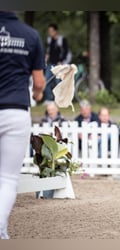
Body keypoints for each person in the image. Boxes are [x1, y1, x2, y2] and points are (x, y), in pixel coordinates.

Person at [0, 11, 46, 239]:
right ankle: (0, 230)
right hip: (15, 109)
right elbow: (39, 82)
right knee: (7, 177)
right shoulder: (30, 35)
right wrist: (38, 94)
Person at [44, 23, 70, 103]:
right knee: (46, 81)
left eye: (51, 31)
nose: (50, 32)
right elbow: (48, 51)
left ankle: (59, 99)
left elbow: (66, 52)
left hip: (59, 64)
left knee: (58, 82)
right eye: (49, 31)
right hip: (51, 64)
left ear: (55, 31)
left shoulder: (62, 40)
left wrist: (61, 61)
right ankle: (49, 99)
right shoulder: (49, 40)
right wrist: (45, 59)